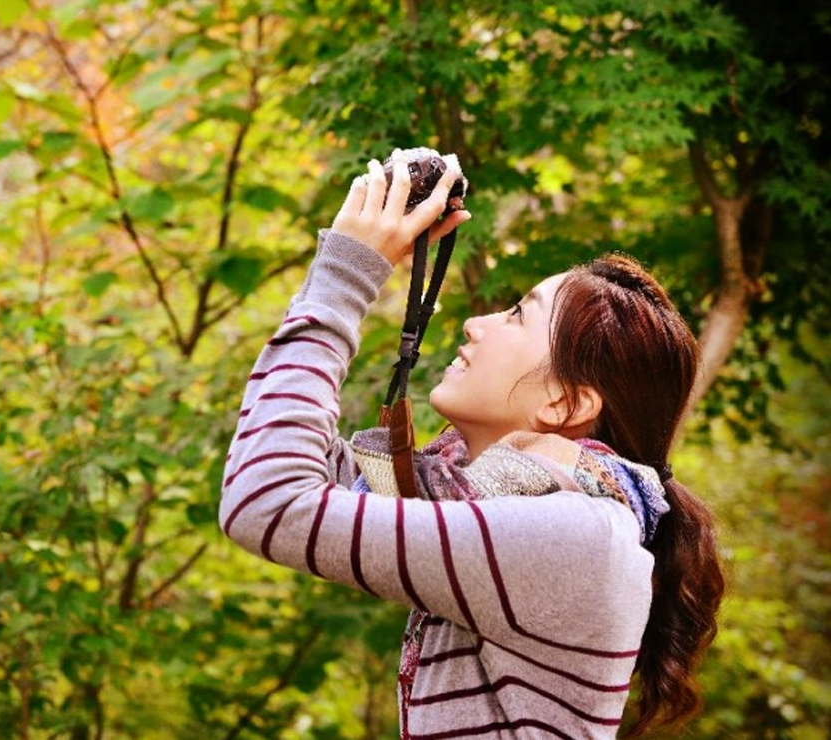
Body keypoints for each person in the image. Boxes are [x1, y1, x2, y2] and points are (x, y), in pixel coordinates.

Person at [219, 150, 724, 739]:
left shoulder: (577, 537)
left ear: (564, 404)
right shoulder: (478, 506)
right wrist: (359, 261)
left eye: (515, 316)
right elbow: (273, 443)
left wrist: (345, 276)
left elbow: (268, 502)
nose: (475, 324)